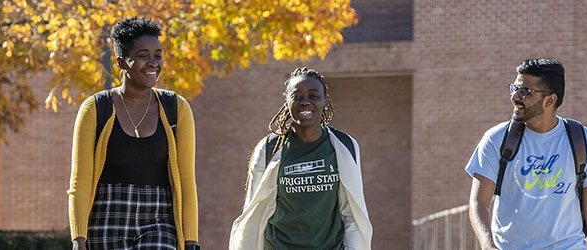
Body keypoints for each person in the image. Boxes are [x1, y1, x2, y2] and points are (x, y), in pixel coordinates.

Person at [67, 17, 200, 250]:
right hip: (107, 219)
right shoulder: (95, 109)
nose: (153, 63)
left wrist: (191, 241)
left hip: (159, 221)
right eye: (142, 56)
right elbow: (80, 182)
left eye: (157, 55)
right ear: (121, 62)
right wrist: (78, 238)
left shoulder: (176, 110)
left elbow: (187, 182)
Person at [465, 59, 587, 250]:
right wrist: (488, 245)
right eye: (514, 88)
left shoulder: (583, 140)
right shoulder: (496, 139)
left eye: (525, 91)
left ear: (550, 100)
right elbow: (478, 202)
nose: (515, 97)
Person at [229, 67, 373, 250]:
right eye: (297, 96)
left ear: (324, 101)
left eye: (313, 96)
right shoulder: (269, 149)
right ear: (287, 101)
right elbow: (252, 215)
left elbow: (353, 213)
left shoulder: (345, 146)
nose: (305, 102)